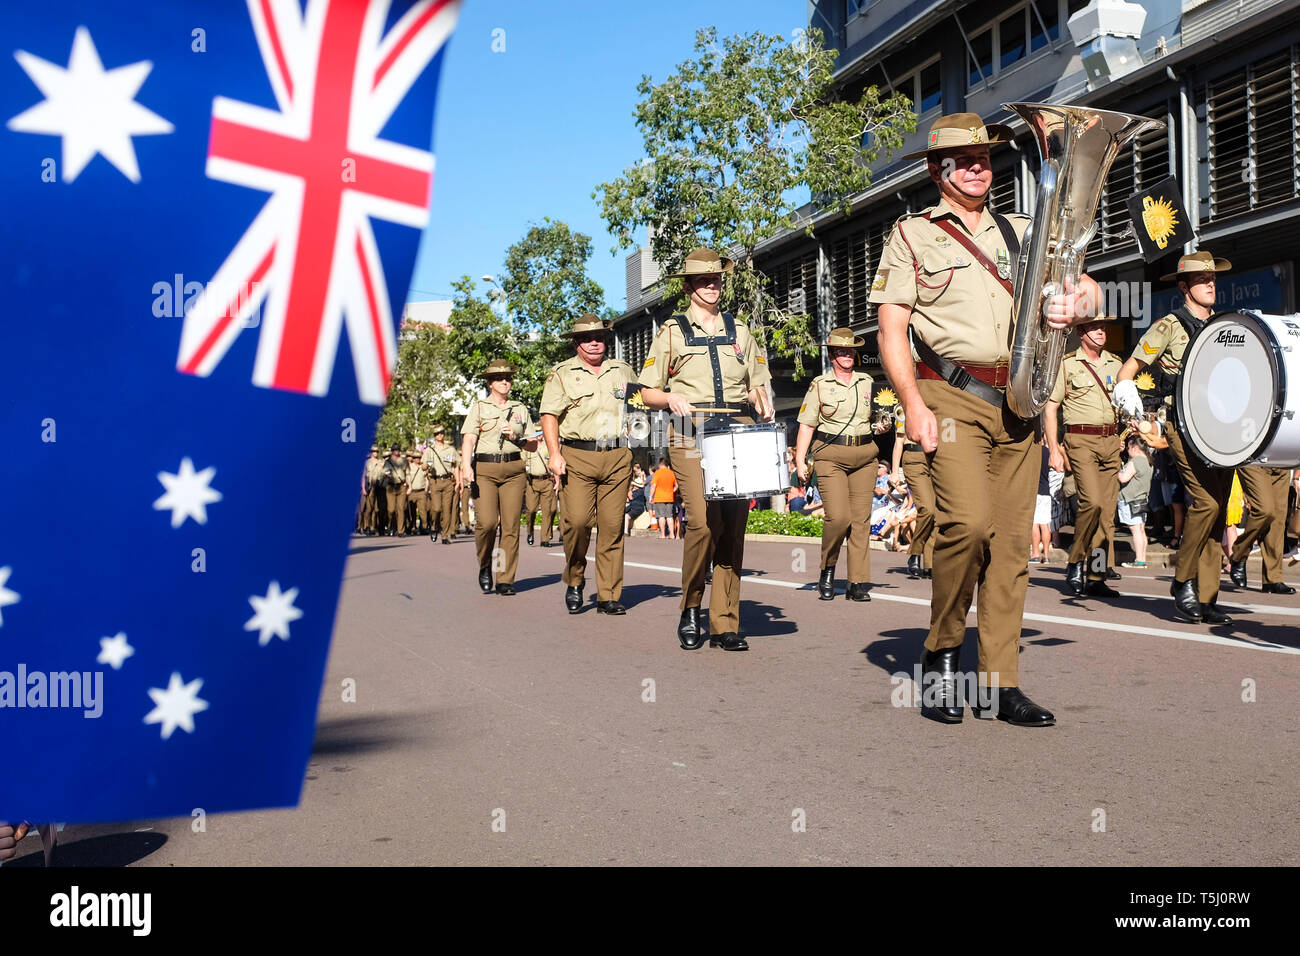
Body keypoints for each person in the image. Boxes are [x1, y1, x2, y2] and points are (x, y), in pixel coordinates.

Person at [873, 112, 1099, 726]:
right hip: (949, 397)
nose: (978, 166)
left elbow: (1087, 285)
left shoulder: (1025, 228)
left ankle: (1000, 682)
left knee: (1010, 547)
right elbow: (892, 329)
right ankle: (944, 650)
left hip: (1020, 400)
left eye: (985, 157)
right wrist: (912, 406)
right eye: (964, 158)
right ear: (936, 169)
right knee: (967, 526)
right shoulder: (911, 236)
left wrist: (1080, 298)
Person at [635, 247, 774, 652]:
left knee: (733, 526)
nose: (712, 285)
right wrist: (670, 398)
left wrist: (760, 396)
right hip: (689, 431)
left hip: (737, 429)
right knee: (701, 522)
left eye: (716, 279)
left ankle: (725, 622)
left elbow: (757, 379)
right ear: (689, 286)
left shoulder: (741, 330)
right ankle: (691, 606)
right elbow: (646, 392)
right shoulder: (671, 332)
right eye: (703, 280)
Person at [1115, 251, 1235, 624]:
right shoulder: (1168, 325)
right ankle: (1182, 579)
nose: (1211, 283)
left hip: (1221, 427)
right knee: (1206, 503)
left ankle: (1207, 596)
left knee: (1216, 511)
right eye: (1202, 279)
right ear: (1184, 287)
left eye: (1213, 278)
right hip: (1181, 424)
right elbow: (1128, 370)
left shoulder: (1223, 327)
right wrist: (1131, 405)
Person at [540, 314, 637, 615]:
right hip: (577, 456)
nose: (594, 343)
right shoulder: (562, 373)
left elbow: (638, 407)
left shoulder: (623, 370)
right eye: (587, 338)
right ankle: (575, 578)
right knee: (578, 523)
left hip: (617, 456)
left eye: (599, 337)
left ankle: (608, 595)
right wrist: (554, 454)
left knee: (611, 527)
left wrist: (634, 441)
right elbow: (549, 416)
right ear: (576, 342)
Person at [794, 326, 877, 602]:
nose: (847, 354)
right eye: (841, 350)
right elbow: (807, 425)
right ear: (832, 355)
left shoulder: (867, 382)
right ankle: (827, 568)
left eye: (851, 350)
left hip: (865, 455)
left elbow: (878, 416)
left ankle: (857, 582)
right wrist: (800, 459)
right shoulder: (820, 385)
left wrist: (884, 424)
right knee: (839, 518)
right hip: (831, 456)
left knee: (860, 521)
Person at [1044, 317, 1124, 598]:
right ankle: (1076, 560)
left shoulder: (1117, 364)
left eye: (1103, 327)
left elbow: (1125, 402)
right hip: (1080, 441)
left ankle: (1096, 576)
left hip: (1111, 441)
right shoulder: (1067, 364)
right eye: (1094, 327)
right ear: (1081, 332)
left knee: (1107, 514)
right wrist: (1054, 448)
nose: (1101, 331)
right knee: (1091, 503)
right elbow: (1051, 408)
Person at [460, 359, 537, 595]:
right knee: (487, 524)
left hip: (514, 471)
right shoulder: (480, 407)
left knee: (511, 527)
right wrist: (466, 465)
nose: (505, 382)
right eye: (499, 378)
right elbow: (469, 438)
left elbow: (532, 444)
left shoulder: (520, 408)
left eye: (508, 378)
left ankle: (504, 578)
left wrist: (516, 437)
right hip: (485, 470)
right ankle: (485, 564)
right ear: (490, 382)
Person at [1228, 466, 1296, 594]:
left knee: (1277, 523)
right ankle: (1239, 554)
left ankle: (1273, 579)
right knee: (1265, 510)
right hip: (1255, 459)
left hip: (1282, 460)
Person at [892, 406, 935, 578]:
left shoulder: (942, 402)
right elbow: (899, 441)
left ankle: (930, 564)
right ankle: (915, 552)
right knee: (928, 509)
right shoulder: (906, 407)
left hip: (937, 459)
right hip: (914, 458)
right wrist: (895, 471)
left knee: (937, 513)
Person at [1118, 434, 1154, 567]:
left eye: (1128, 447)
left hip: (1130, 499)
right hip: (1142, 499)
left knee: (1135, 530)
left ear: (1134, 447)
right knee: (1141, 529)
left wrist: (1116, 470)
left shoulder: (1135, 461)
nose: (1127, 450)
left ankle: (1139, 560)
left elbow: (1123, 478)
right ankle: (1142, 559)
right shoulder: (1148, 461)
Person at [422, 426, 459, 544]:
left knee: (447, 509)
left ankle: (444, 536)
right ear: (434, 436)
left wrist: (458, 481)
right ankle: (434, 526)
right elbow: (423, 466)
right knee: (437, 509)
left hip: (448, 481)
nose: (440, 435)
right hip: (435, 481)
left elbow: (456, 466)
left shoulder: (450, 449)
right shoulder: (430, 450)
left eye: (442, 433)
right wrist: (427, 466)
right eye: (437, 434)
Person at [522, 438, 556, 547]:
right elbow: (522, 461)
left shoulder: (548, 445)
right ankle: (530, 531)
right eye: (537, 432)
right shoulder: (529, 446)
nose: (539, 435)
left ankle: (545, 539)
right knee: (531, 509)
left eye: (541, 431)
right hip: (532, 481)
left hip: (547, 481)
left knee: (547, 511)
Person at [380, 444, 408, 536]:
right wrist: (387, 474)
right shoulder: (387, 462)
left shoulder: (404, 461)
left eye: (398, 450)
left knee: (401, 508)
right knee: (391, 510)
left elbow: (407, 473)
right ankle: (390, 526)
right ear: (392, 451)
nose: (396, 451)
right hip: (391, 487)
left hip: (401, 486)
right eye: (395, 450)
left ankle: (401, 531)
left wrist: (409, 486)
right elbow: (385, 472)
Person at [1031, 444, 1052, 564]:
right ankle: (1046, 556)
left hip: (1034, 490)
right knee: (1045, 524)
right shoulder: (1048, 451)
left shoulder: (1032, 451)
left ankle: (1035, 553)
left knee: (1034, 523)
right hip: (1046, 490)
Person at [649, 459, 677, 539]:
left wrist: (651, 496)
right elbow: (676, 486)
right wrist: (671, 491)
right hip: (669, 497)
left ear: (660, 464)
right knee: (669, 516)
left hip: (659, 497)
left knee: (661, 516)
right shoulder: (671, 472)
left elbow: (653, 486)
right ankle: (672, 534)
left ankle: (662, 534)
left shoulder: (658, 473)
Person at [405, 450, 430, 534]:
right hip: (412, 491)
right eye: (415, 457)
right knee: (411, 512)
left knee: (423, 511)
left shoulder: (423, 467)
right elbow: (407, 478)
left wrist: (426, 489)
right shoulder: (409, 466)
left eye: (419, 457)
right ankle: (410, 527)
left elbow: (427, 479)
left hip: (421, 492)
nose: (417, 459)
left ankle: (423, 528)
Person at [625, 462, 647, 534]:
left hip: (637, 508)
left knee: (626, 516)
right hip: (633, 507)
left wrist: (629, 492)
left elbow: (630, 498)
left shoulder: (639, 491)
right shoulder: (637, 491)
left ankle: (625, 532)